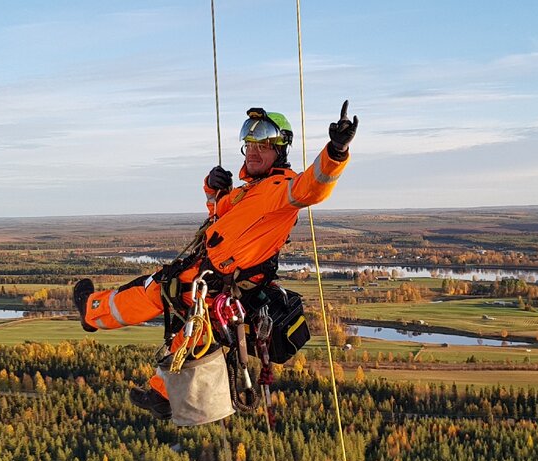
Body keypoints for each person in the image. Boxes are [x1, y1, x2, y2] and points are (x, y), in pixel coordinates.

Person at [74, 101, 358, 419]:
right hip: (212, 279)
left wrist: (336, 151)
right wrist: (212, 187)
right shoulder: (247, 192)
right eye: (249, 144)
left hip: (226, 282)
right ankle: (162, 394)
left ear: (280, 149)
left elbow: (314, 187)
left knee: (155, 294)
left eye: (263, 145)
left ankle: (92, 312)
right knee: (192, 330)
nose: (253, 151)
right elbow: (217, 213)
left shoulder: (282, 189)